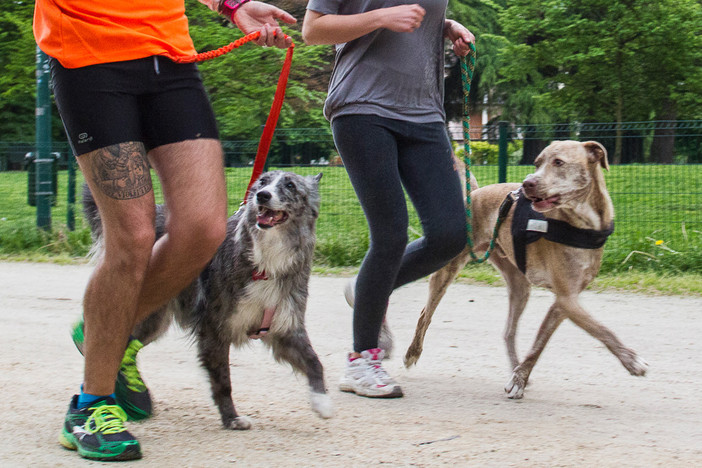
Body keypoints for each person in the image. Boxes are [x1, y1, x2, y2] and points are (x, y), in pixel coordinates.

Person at [33, 0, 295, 461]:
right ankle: (90, 406)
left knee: (204, 229)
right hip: (89, 57)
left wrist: (231, 5)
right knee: (132, 241)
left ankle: (102, 327)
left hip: (168, 58)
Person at [302, 1, 475, 398]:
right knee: (391, 234)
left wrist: (444, 26)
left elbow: (416, 28)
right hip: (363, 107)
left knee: (451, 233)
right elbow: (313, 29)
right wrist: (381, 18)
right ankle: (362, 361)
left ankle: (366, 288)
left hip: (425, 114)